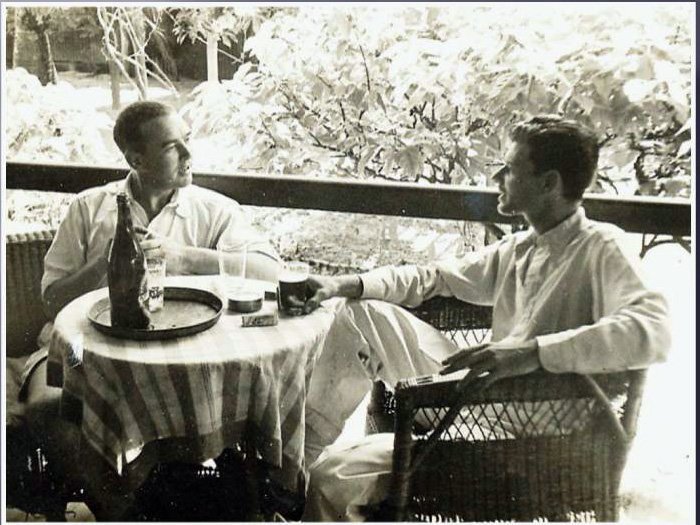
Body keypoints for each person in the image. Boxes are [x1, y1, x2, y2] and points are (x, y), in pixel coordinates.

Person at [299, 115, 672, 521]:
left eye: (509, 169)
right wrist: (340, 284)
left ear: (549, 183)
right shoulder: (522, 246)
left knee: (332, 477)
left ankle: (299, 482)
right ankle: (292, 463)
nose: (496, 177)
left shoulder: (602, 246)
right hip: (483, 393)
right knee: (361, 313)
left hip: (535, 433)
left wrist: (531, 353)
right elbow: (434, 277)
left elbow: (652, 330)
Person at [10, 100, 280, 519]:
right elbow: (52, 300)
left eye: (186, 140)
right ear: (136, 159)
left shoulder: (213, 209)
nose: (189, 154)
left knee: (225, 410)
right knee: (48, 407)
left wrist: (184, 258)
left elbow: (269, 271)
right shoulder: (89, 208)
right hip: (81, 350)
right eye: (172, 146)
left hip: (184, 361)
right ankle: (123, 512)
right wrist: (104, 261)